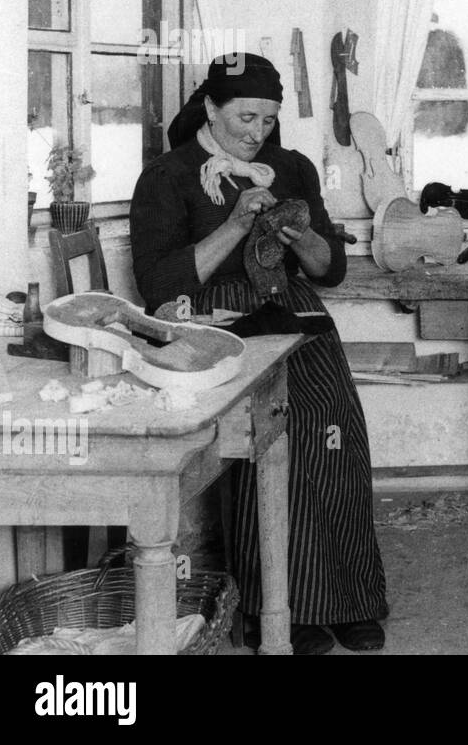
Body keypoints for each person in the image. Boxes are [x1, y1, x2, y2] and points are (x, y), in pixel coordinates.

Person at [130, 54, 388, 655]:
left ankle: (348, 602)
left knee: (336, 427)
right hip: (219, 322)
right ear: (212, 108)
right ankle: (283, 609)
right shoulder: (169, 176)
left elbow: (332, 272)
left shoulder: (290, 167)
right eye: (245, 117)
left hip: (291, 307)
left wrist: (307, 238)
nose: (257, 133)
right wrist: (237, 225)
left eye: (268, 121)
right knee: (270, 439)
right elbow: (162, 287)